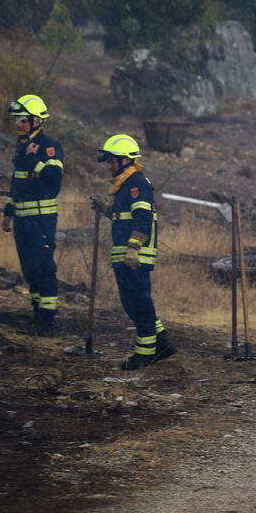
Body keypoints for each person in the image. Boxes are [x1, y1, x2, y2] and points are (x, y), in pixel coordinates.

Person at [90, 135, 176, 371]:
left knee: (138, 304)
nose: (108, 165)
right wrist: (108, 210)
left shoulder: (136, 183)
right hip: (125, 256)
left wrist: (133, 248)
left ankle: (146, 353)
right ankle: (163, 344)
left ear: (126, 160)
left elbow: (143, 218)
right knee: (135, 303)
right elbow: (124, 219)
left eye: (112, 160)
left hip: (134, 257)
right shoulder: (125, 185)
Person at [1, 95, 63, 334]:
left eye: (23, 120)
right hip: (22, 222)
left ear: (37, 121)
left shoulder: (49, 147)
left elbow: (54, 182)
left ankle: (47, 321)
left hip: (41, 221)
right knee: (29, 269)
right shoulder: (22, 147)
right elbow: (17, 185)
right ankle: (37, 314)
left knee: (43, 268)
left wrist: (34, 160)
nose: (18, 124)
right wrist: (8, 211)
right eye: (17, 120)